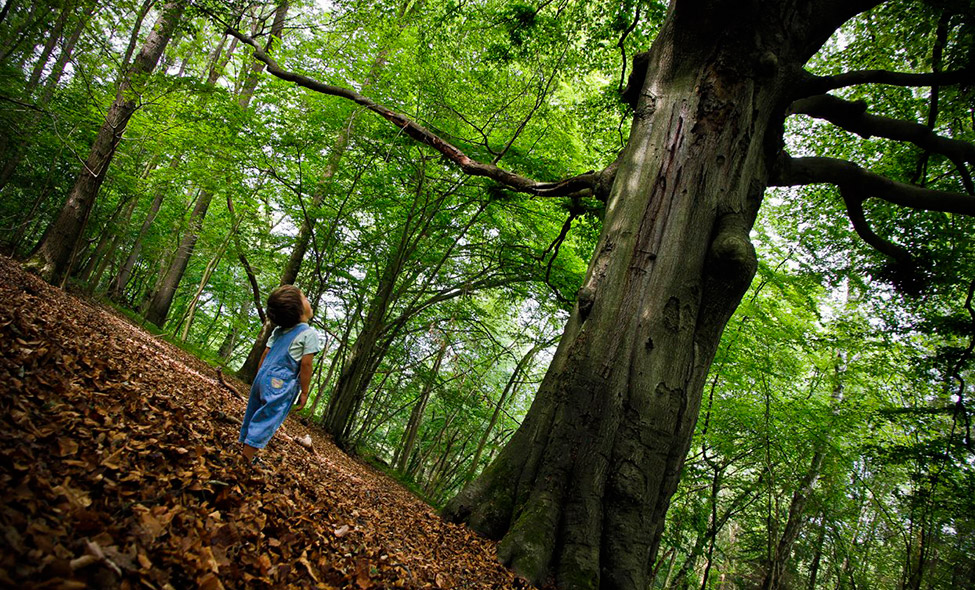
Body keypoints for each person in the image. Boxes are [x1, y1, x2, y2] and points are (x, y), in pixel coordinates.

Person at [239, 285, 320, 465]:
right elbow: (306, 364)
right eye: (305, 298)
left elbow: (265, 354)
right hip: (280, 382)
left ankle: (245, 450)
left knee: (253, 412)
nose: (309, 300)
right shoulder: (309, 334)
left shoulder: (278, 331)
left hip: (263, 375)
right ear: (299, 309)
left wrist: (259, 376)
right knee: (267, 418)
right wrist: (304, 391)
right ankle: (246, 459)